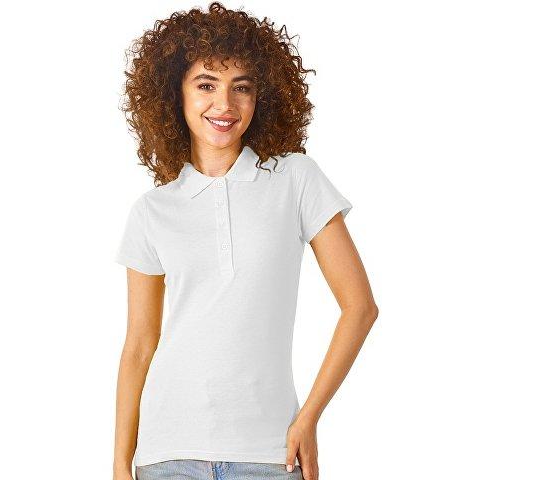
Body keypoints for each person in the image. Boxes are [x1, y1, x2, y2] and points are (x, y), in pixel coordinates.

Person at [112, 3, 378, 480]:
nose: (225, 104)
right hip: (167, 454)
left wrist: (309, 417)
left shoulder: (296, 179)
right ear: (175, 93)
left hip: (270, 453)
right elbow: (139, 345)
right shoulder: (152, 211)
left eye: (242, 87)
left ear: (262, 96)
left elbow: (360, 307)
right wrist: (119, 464)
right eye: (206, 84)